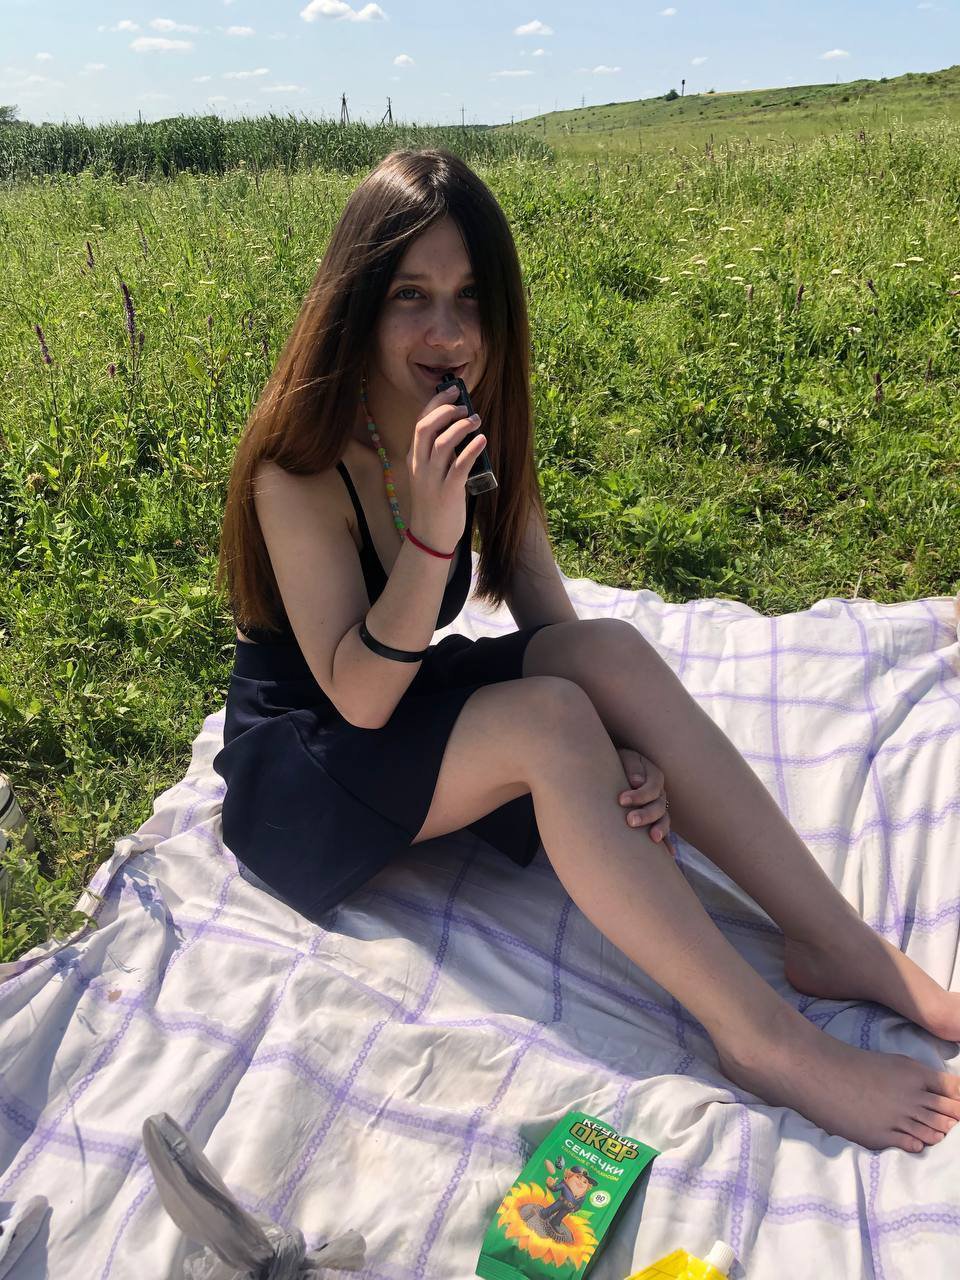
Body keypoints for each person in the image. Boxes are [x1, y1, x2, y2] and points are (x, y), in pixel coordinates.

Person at [213, 147, 960, 1155]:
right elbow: (359, 697)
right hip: (310, 758)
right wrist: (433, 531)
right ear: (356, 302)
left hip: (395, 702)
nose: (447, 333)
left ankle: (835, 942)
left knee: (602, 657)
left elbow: (553, 626)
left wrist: (627, 744)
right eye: (410, 297)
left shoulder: (465, 417)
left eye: (470, 299)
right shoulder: (297, 464)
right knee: (549, 722)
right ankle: (765, 1040)